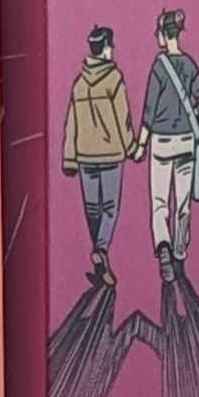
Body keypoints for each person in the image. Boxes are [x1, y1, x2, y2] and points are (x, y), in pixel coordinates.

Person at [137, 4, 199, 266]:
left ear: (163, 34)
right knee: (183, 201)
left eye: (157, 32)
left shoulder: (159, 67)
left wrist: (140, 145)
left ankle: (163, 246)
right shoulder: (189, 65)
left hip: (161, 142)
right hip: (186, 141)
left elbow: (149, 111)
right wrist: (189, 113)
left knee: (159, 201)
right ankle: (180, 248)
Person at [63, 23, 134, 269]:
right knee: (110, 208)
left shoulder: (79, 84)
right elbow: (123, 118)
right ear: (105, 49)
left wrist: (69, 158)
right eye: (110, 46)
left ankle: (97, 253)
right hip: (111, 154)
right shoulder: (114, 79)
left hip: (85, 156)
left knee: (92, 209)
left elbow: (71, 123)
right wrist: (132, 148)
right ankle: (101, 249)